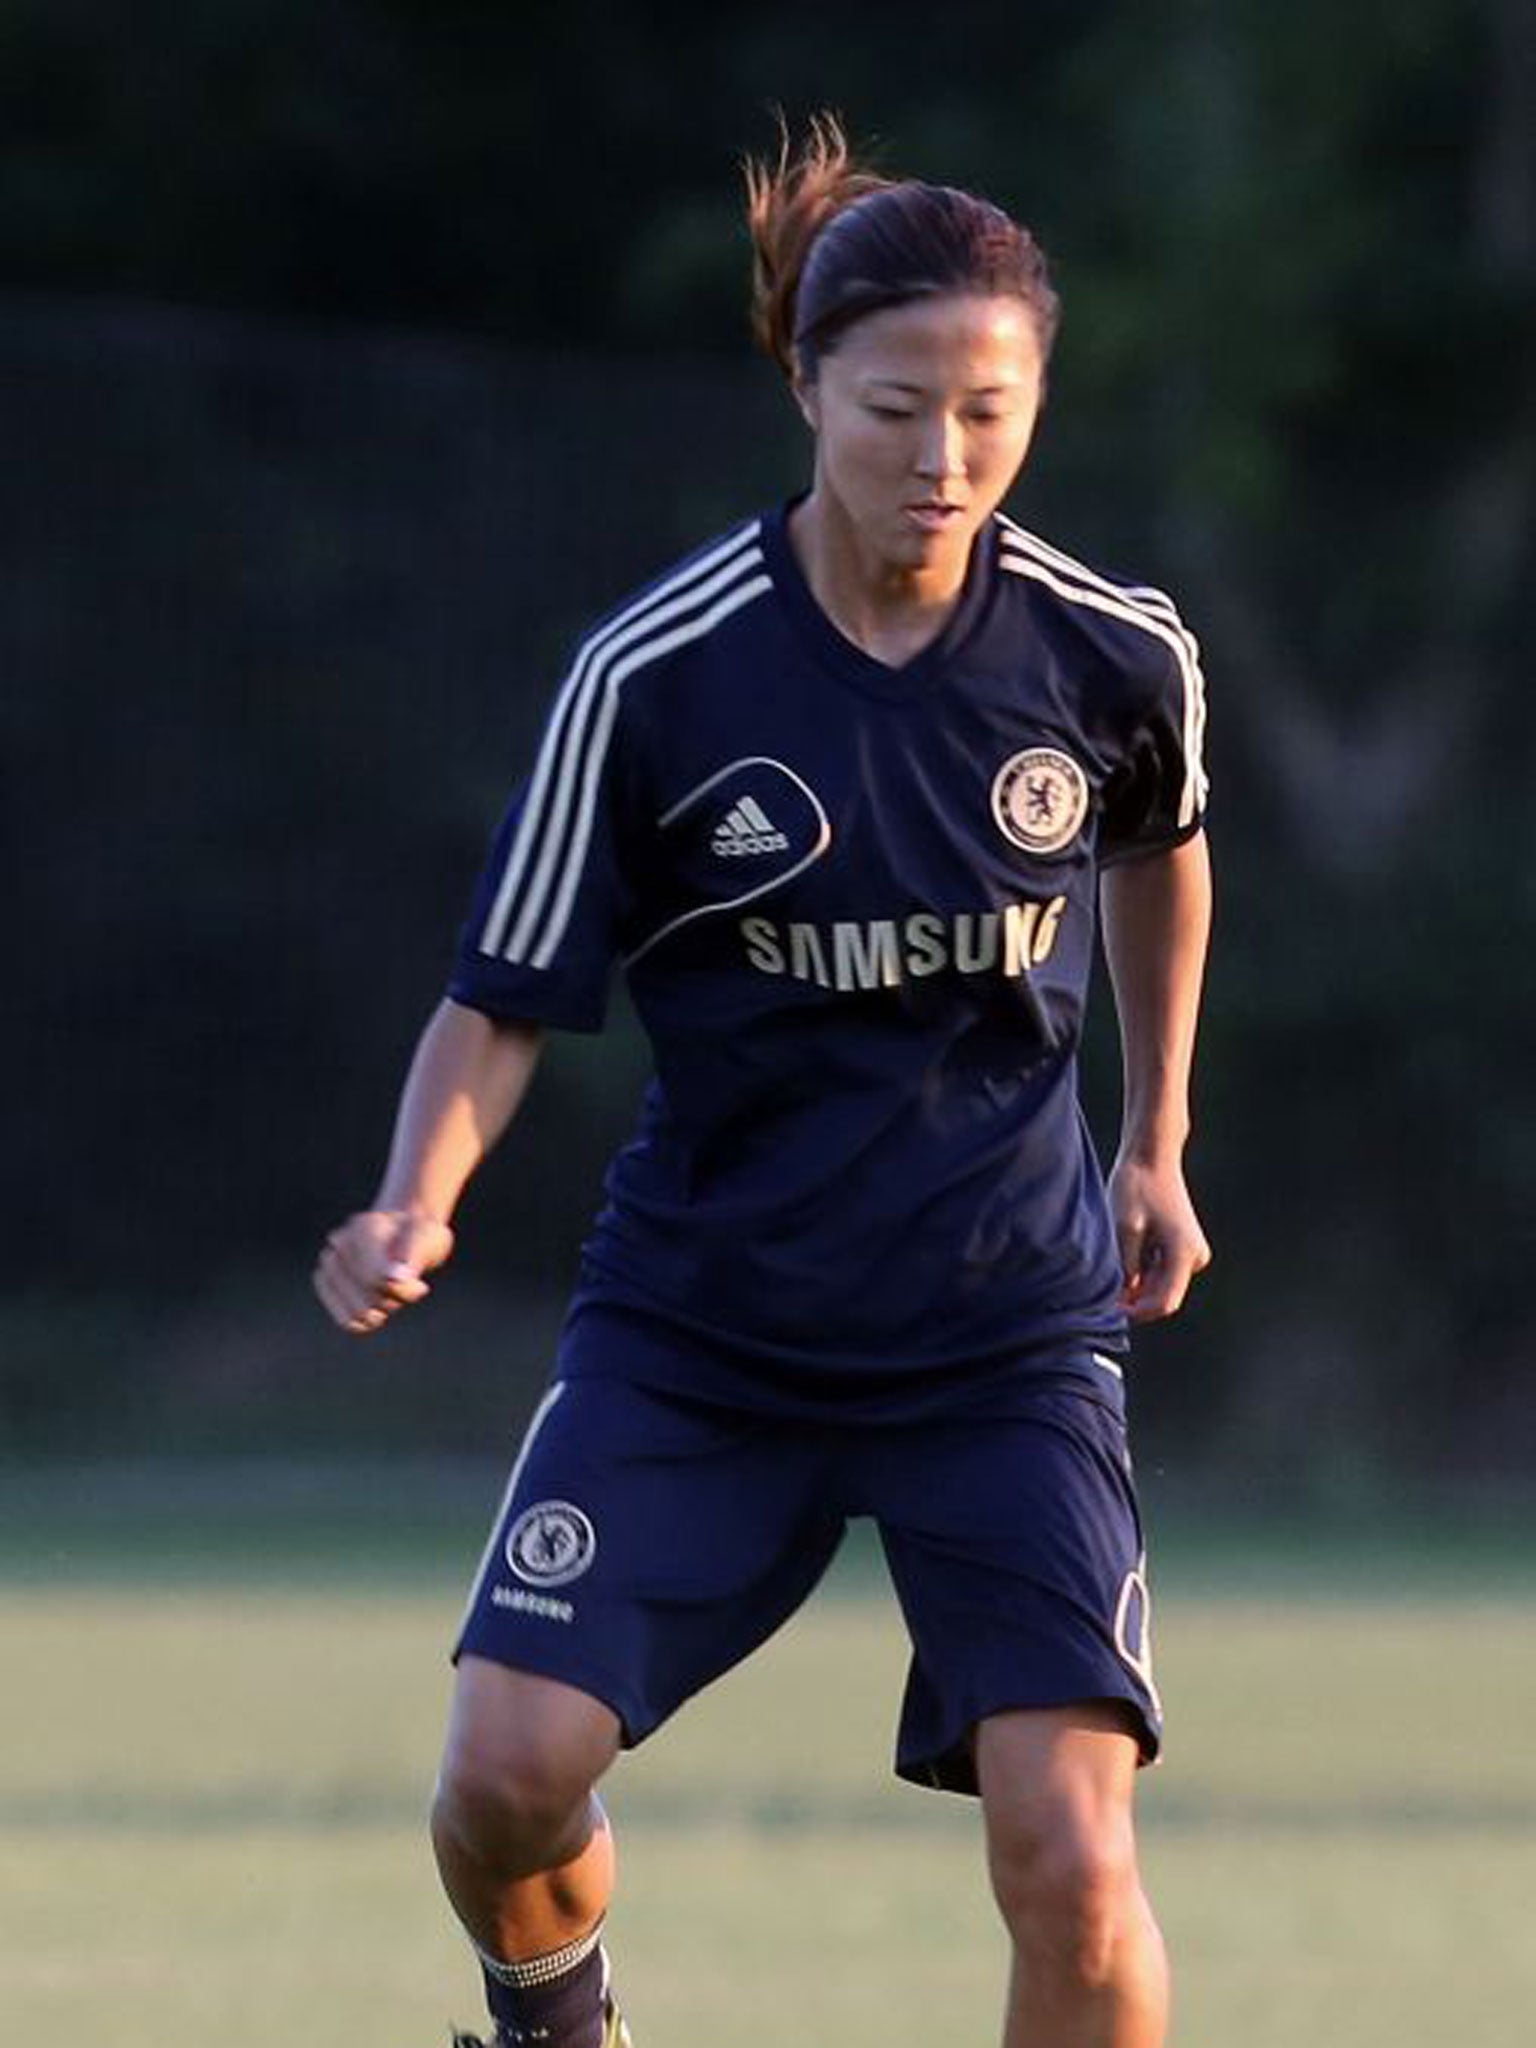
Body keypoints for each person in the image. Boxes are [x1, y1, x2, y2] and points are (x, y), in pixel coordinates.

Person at [314, 112, 1211, 2048]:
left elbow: (1164, 849)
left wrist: (1157, 1141)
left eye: (991, 409)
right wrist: (419, 1197)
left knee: (1075, 1859)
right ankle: (562, 2022)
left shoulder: (1113, 655)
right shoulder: (659, 675)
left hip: (1003, 1334)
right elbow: (505, 988)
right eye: (896, 407)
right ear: (805, 383)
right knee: (502, 1777)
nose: (944, 458)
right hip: (711, 1329)